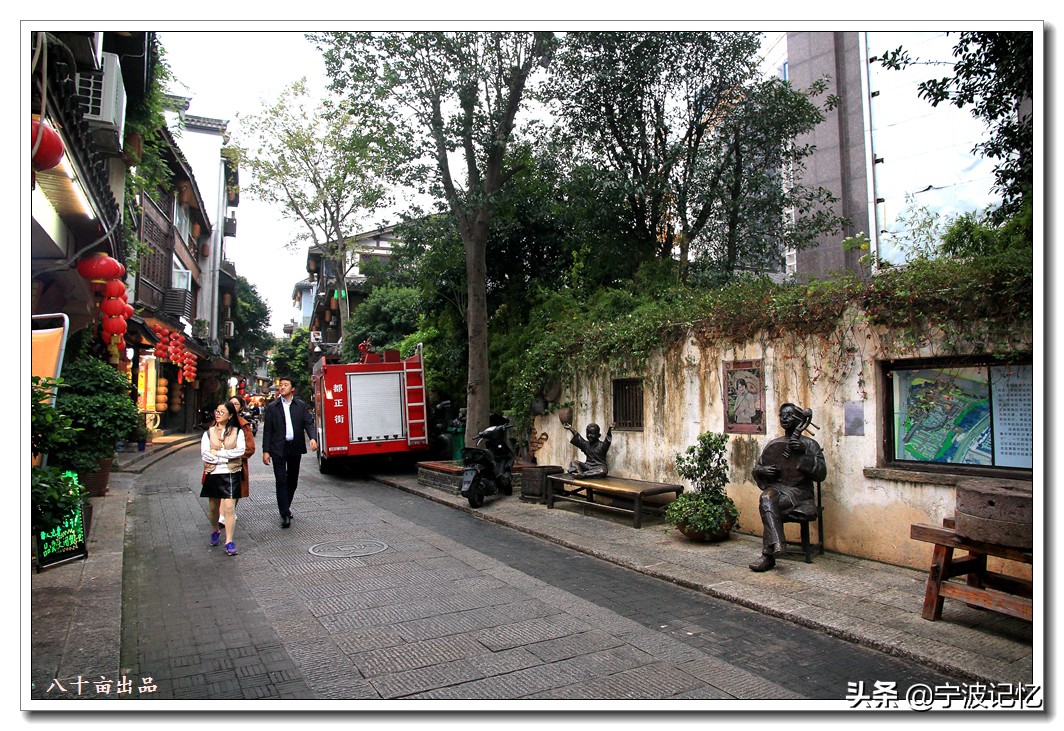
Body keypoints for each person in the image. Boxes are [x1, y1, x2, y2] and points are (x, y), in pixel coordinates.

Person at [749, 403, 827, 572]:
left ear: (799, 419)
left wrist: (805, 454)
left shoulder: (810, 444)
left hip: (800, 493)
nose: (784, 418)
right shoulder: (774, 444)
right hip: (778, 489)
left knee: (769, 506)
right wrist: (763, 470)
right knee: (766, 497)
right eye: (782, 415)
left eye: (789, 415)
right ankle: (778, 543)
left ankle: (768, 555)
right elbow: (758, 468)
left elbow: (821, 474)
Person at [262, 376, 318, 528]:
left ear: (292, 388)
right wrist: (266, 451)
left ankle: (286, 505)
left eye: (286, 385)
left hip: (295, 447)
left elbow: (308, 423)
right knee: (281, 480)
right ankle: (285, 513)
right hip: (278, 448)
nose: (282, 387)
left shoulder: (300, 405)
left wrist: (313, 438)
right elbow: (268, 431)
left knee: (292, 480)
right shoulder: (273, 407)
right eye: (281, 385)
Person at [201, 401, 247, 556]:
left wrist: (218, 454)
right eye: (217, 411)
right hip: (213, 472)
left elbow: (240, 451)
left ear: (230, 415)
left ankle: (229, 541)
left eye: (222, 412)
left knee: (229, 508)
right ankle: (215, 530)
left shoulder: (238, 432)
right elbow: (205, 454)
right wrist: (226, 456)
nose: (218, 414)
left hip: (231, 472)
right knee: (213, 508)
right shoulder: (208, 433)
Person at [216, 394, 257, 533]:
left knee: (234, 492)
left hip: (237, 465)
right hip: (219, 464)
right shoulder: (218, 423)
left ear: (241, 408)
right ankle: (222, 516)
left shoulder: (243, 425)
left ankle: (228, 514)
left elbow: (250, 448)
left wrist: (234, 455)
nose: (233, 406)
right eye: (231, 403)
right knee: (222, 491)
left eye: (236, 404)